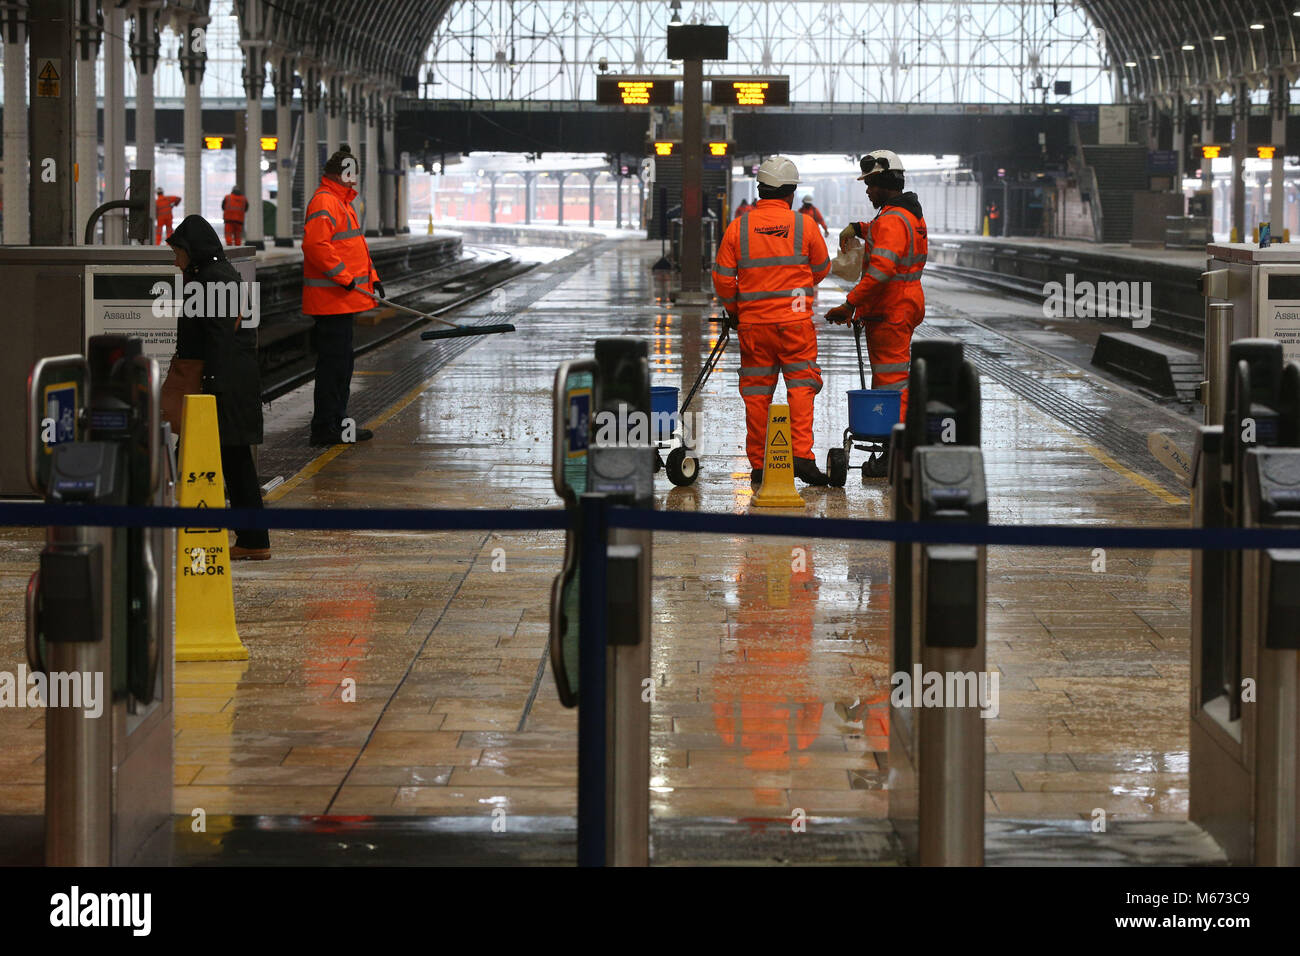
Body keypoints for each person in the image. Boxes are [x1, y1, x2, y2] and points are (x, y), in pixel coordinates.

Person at [712, 155, 832, 487]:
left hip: (753, 327)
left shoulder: (739, 227)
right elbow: (822, 268)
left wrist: (736, 308)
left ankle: (760, 464)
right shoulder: (804, 225)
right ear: (791, 192)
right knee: (801, 388)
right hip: (795, 326)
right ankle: (802, 458)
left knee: (756, 393)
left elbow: (722, 278)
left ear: (760, 189)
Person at [165, 215, 270, 560]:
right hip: (227, 381)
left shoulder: (210, 279)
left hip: (223, 385)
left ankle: (252, 540)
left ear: (192, 250)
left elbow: (218, 338)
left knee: (233, 461)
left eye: (178, 251)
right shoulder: (214, 276)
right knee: (231, 459)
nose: (176, 259)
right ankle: (251, 539)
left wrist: (209, 385)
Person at [826, 148, 928, 477]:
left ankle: (894, 454)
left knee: (891, 382)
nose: (867, 190)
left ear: (884, 182)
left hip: (892, 309)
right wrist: (859, 227)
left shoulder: (894, 219)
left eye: (870, 184)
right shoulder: (903, 214)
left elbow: (882, 268)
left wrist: (850, 302)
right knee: (892, 379)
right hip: (897, 305)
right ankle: (896, 447)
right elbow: (884, 233)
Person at [302, 144, 382, 446]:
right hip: (331, 302)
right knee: (333, 368)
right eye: (351, 174)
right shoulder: (326, 202)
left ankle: (336, 424)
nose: (354, 180)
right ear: (339, 174)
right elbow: (315, 247)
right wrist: (345, 279)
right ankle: (325, 428)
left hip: (342, 300)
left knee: (341, 367)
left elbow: (354, 248)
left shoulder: (342, 203)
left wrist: (373, 278)